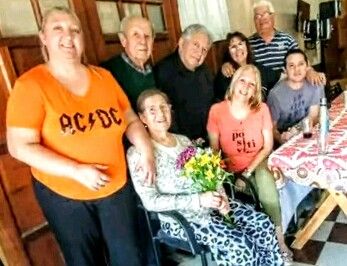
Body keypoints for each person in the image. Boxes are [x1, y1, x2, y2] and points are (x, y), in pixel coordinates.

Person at [6, 7, 155, 266]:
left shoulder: (104, 78)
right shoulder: (31, 85)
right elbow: (19, 146)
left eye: (75, 30)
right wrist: (76, 170)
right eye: (58, 29)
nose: (68, 36)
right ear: (43, 37)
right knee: (85, 261)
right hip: (65, 196)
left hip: (116, 188)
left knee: (130, 257)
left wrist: (146, 149)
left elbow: (130, 117)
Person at [127, 88, 284, 266]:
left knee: (263, 224)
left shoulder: (183, 141)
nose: (160, 114)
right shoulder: (138, 154)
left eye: (164, 107)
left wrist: (222, 198)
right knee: (240, 244)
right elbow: (150, 202)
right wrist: (199, 200)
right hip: (183, 218)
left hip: (213, 203)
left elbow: (210, 172)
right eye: (152, 110)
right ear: (142, 117)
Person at [207, 64, 292, 262]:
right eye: (242, 81)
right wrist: (221, 176)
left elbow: (267, 146)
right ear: (234, 81)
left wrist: (246, 173)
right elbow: (214, 150)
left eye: (252, 84)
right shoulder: (217, 111)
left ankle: (280, 240)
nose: (246, 87)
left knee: (264, 179)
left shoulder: (261, 109)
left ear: (256, 89)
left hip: (257, 162)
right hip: (229, 168)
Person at [222, 0, 326, 89]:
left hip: (286, 91)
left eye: (265, 14)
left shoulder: (287, 40)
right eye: (257, 16)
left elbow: (302, 63)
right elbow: (239, 62)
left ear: (272, 16)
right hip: (260, 95)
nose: (261, 19)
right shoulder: (248, 44)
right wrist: (227, 64)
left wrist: (310, 72)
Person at [154, 24, 214, 141]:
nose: (199, 53)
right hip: (179, 143)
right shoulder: (162, 71)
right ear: (181, 43)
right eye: (196, 45)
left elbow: (214, 102)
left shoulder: (205, 71)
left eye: (204, 50)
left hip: (207, 138)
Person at [267, 48, 322, 145]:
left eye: (301, 64)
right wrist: (281, 139)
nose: (297, 69)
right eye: (291, 66)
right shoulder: (275, 95)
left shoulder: (314, 85)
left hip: (307, 135)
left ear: (307, 66)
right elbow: (271, 128)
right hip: (285, 140)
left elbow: (313, 116)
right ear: (285, 70)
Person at [101, 16, 155, 110]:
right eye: (136, 35)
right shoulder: (107, 73)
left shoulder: (157, 70)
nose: (143, 41)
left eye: (147, 36)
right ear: (123, 40)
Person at [214, 31, 281, 101]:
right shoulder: (225, 74)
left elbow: (281, 78)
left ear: (247, 47)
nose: (238, 49)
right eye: (233, 46)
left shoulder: (260, 69)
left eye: (240, 44)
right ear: (228, 52)